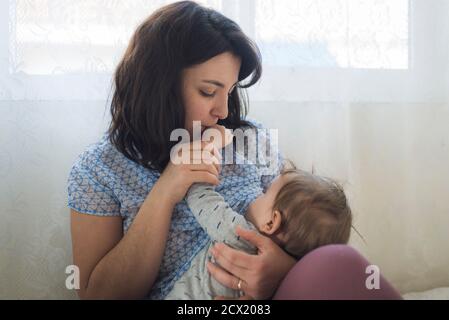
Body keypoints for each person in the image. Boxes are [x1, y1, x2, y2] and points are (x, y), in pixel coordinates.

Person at [67, 1, 402, 300]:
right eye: (208, 91)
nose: (224, 111)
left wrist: (280, 270)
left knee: (339, 260)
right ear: (159, 88)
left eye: (229, 91)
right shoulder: (100, 171)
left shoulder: (250, 140)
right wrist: (166, 190)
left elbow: (304, 230)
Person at [165, 156, 353, 299]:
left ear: (271, 223)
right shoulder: (269, 288)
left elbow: (202, 201)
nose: (256, 195)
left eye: (265, 193)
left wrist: (199, 169)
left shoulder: (239, 232)